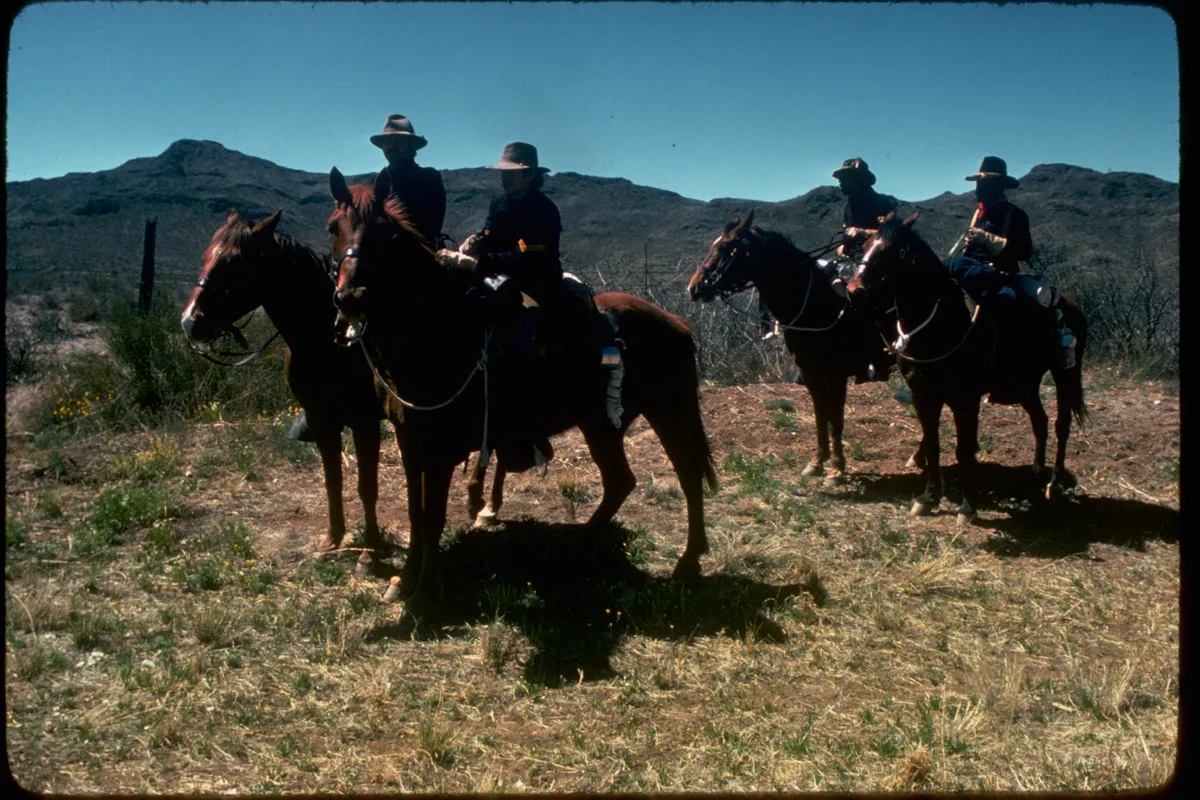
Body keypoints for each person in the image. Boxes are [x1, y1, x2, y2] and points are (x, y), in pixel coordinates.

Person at [438, 142, 607, 471]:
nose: (505, 179)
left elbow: (526, 257)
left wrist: (475, 263)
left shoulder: (543, 210)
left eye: (512, 173)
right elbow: (492, 228)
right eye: (503, 173)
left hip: (537, 282)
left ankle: (529, 428)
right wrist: (477, 239)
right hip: (498, 276)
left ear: (530, 175)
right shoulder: (500, 201)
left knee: (520, 340)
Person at [290, 115, 446, 443]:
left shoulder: (429, 179)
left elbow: (430, 225)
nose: (392, 147)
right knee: (335, 315)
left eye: (398, 142)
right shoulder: (378, 182)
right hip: (378, 263)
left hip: (418, 260)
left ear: (410, 146)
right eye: (388, 142)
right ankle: (322, 402)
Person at [831, 157, 898, 383]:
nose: (841, 183)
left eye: (845, 179)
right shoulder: (849, 206)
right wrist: (842, 248)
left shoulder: (882, 203)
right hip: (852, 260)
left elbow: (890, 235)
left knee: (866, 305)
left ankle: (878, 360)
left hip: (877, 264)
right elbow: (845, 237)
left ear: (859, 180)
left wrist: (860, 232)